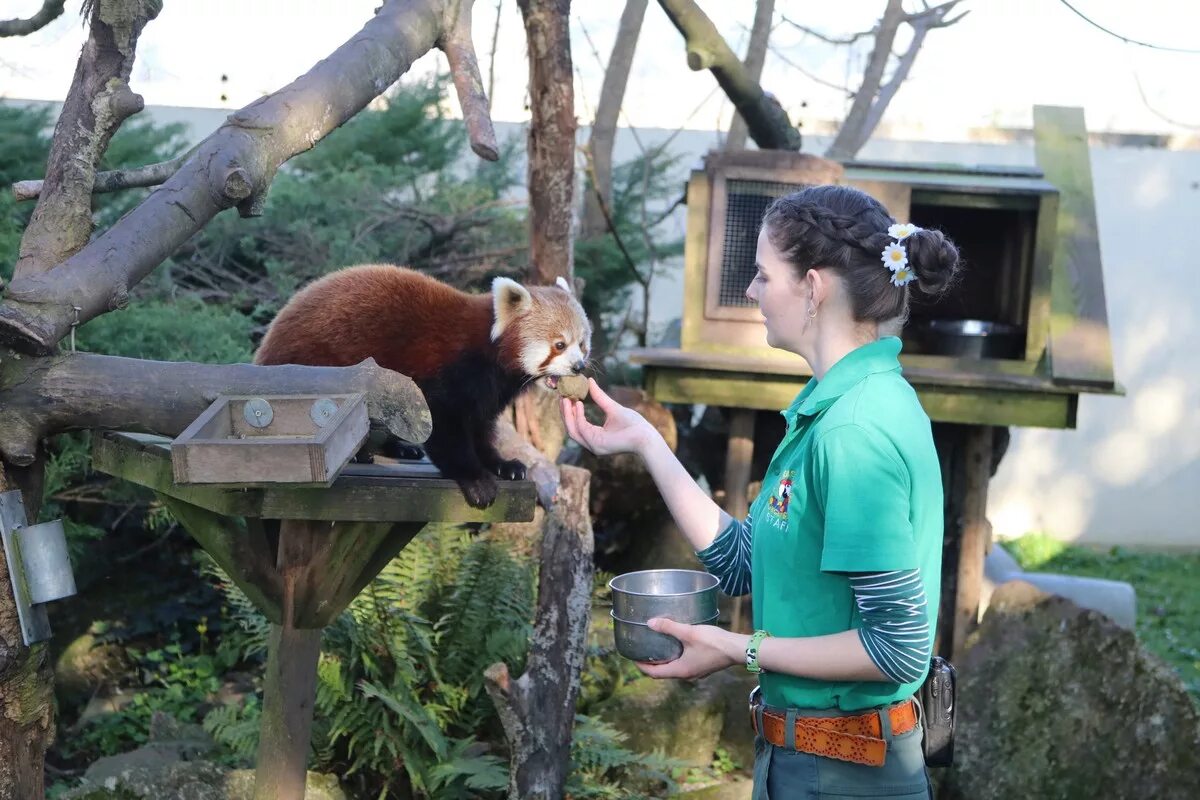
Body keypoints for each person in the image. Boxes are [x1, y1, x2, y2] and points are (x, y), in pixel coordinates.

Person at [561, 184, 961, 799]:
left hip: (845, 774)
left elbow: (895, 650)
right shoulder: (832, 409)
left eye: (762, 274)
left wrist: (735, 647)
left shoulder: (855, 430)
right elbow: (746, 564)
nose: (750, 291)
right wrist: (646, 443)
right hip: (802, 761)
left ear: (814, 286)